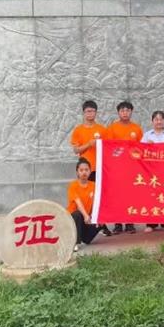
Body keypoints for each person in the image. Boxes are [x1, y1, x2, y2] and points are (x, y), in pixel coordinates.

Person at [70, 100, 111, 236]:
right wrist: (89, 144)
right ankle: (87, 222)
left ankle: (102, 225)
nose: (90, 113)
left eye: (93, 111)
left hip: (100, 168)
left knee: (101, 197)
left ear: (96, 113)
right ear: (83, 113)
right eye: (88, 111)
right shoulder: (78, 130)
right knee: (88, 198)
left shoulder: (102, 129)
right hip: (86, 170)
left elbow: (109, 147)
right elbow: (76, 150)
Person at [107, 101, 143, 234]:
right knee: (117, 195)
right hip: (117, 168)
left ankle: (129, 223)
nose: (125, 113)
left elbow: (141, 148)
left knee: (130, 195)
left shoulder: (137, 128)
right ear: (118, 112)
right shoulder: (112, 128)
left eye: (127, 110)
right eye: (122, 110)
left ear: (131, 112)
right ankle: (117, 223)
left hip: (132, 168)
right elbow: (109, 147)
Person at [140, 110, 164, 232]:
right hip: (150, 171)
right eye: (156, 119)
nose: (159, 121)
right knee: (151, 196)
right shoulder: (147, 136)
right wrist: (146, 146)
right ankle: (151, 224)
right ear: (152, 121)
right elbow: (139, 151)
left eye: (161, 119)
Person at [67, 158, 101, 251]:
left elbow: (96, 202)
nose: (84, 172)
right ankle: (75, 242)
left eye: (86, 170)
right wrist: (86, 215)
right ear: (77, 172)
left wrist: (96, 217)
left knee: (101, 222)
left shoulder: (93, 185)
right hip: (74, 218)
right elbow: (78, 203)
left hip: (86, 219)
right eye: (81, 170)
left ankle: (84, 237)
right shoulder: (73, 185)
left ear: (90, 171)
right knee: (78, 214)